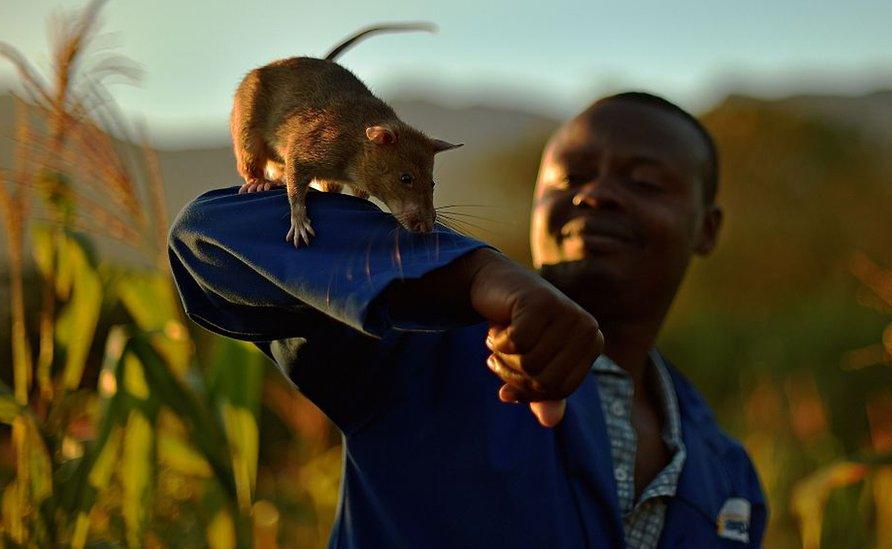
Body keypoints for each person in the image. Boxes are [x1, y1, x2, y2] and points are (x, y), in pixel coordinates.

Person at [168, 91, 767, 548]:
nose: (595, 195)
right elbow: (209, 236)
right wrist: (476, 274)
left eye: (644, 181)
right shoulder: (415, 342)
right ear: (535, 202)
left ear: (707, 228)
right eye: (572, 177)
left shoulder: (728, 476)